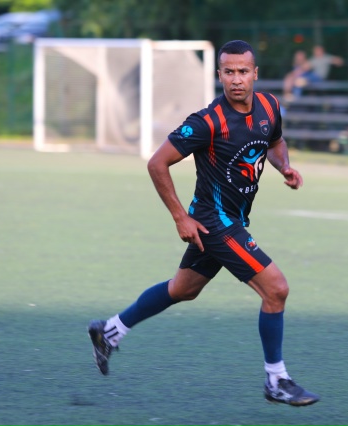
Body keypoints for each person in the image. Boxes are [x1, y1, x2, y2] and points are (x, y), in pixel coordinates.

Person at [88, 40, 320, 407]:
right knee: (276, 289)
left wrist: (284, 167)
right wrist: (180, 216)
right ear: (219, 75)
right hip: (215, 223)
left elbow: (274, 141)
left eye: (243, 71)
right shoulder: (207, 122)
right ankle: (276, 380)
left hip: (232, 218)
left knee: (183, 289)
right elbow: (157, 163)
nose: (236, 79)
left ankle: (109, 331)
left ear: (255, 74)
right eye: (229, 72)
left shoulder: (270, 106)